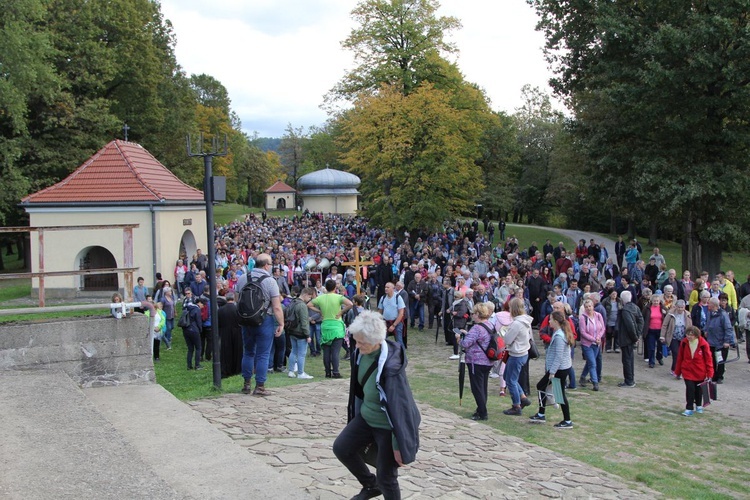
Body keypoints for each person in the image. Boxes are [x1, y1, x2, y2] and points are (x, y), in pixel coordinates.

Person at [333, 310, 421, 500]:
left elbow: (402, 407)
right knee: (342, 448)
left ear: (376, 341)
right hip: (367, 417)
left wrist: (399, 444)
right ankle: (371, 485)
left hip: (387, 427)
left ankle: (380, 485)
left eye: (361, 342)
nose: (357, 345)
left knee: (387, 477)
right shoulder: (361, 353)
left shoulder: (391, 367)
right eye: (356, 340)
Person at [240, 253, 284, 396]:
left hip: (246, 320)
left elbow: (237, 300)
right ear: (266, 265)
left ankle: (246, 384)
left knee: (248, 352)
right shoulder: (270, 281)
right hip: (265, 319)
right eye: (271, 264)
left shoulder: (242, 278)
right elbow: (277, 307)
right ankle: (260, 386)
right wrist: (281, 323)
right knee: (263, 354)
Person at [529, 310, 575, 428]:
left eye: (550, 319)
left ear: (555, 321)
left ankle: (566, 420)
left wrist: (552, 372)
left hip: (559, 369)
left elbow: (559, 356)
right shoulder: (559, 332)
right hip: (561, 367)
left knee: (551, 390)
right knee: (549, 389)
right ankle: (542, 414)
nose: (548, 321)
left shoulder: (560, 336)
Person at [456, 302, 496, 421]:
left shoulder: (477, 328)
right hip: (488, 361)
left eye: (473, 313)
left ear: (478, 314)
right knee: (483, 387)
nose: (472, 315)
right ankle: (480, 409)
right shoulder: (489, 324)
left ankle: (482, 412)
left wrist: (459, 338)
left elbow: (465, 343)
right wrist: (467, 334)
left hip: (476, 361)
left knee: (477, 388)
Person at [309, 280, 353, 379]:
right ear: (335, 288)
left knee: (327, 351)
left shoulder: (320, 298)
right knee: (335, 351)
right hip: (337, 326)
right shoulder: (339, 297)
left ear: (326, 287)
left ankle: (327, 372)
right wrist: (341, 312)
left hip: (325, 325)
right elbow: (350, 304)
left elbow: (309, 305)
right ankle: (336, 371)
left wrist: (320, 311)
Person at [502, 298, 533, 416]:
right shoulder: (525, 321)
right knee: (507, 376)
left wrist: (505, 333)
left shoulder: (517, 323)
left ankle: (516, 405)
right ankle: (522, 397)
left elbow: (507, 339)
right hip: (523, 352)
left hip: (517, 353)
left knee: (511, 380)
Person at [674, 326, 714, 416]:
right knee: (690, 389)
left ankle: (699, 405)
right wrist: (677, 371)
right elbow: (680, 357)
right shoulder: (684, 343)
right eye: (687, 334)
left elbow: (708, 359)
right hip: (687, 370)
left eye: (691, 335)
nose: (688, 336)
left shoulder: (704, 344)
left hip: (700, 371)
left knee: (698, 389)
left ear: (696, 335)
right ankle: (689, 408)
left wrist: (710, 373)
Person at [704, 297, 735, 384]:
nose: (707, 304)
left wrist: (727, 341)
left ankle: (719, 377)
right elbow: (708, 323)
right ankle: (713, 376)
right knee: (712, 360)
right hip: (711, 342)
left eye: (709, 303)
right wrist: (706, 330)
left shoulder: (723, 315)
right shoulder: (710, 313)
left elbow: (728, 328)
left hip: (721, 343)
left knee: (720, 360)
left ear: (714, 305)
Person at [617, 291, 643, 388]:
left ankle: (629, 381)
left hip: (626, 338)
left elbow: (630, 325)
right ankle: (630, 379)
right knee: (629, 359)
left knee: (627, 360)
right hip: (631, 338)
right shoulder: (635, 308)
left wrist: (635, 336)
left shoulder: (625, 310)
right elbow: (641, 321)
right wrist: (637, 334)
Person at [287, 287, 314, 380]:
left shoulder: (293, 302)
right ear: (306, 294)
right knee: (302, 354)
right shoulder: (302, 305)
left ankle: (291, 371)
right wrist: (307, 335)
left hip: (291, 330)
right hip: (300, 332)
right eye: (310, 297)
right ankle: (300, 373)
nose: (310, 299)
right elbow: (304, 322)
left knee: (293, 351)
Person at [660, 299, 692, 377]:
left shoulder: (688, 314)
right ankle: (675, 370)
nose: (680, 309)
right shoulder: (670, 314)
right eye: (679, 307)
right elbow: (664, 325)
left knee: (683, 354)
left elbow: (690, 326)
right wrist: (662, 336)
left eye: (682, 307)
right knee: (676, 354)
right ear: (676, 307)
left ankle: (679, 369)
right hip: (673, 337)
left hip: (683, 337)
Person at [578, 298, 605, 391]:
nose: (589, 308)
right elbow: (583, 332)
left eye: (590, 306)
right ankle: (595, 382)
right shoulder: (583, 318)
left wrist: (598, 337)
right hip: (587, 344)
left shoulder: (598, 315)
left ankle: (582, 377)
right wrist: (593, 339)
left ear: (593, 306)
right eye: (586, 307)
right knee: (593, 363)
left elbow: (602, 328)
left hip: (597, 343)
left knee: (590, 361)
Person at [217, 291, 243, 379]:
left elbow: (218, 323)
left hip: (225, 332)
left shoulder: (220, 310)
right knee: (237, 352)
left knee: (225, 352)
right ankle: (237, 369)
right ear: (234, 298)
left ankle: (226, 370)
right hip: (237, 332)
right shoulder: (237, 309)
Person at [642, 294, 668, 368]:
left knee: (660, 346)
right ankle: (651, 362)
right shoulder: (647, 308)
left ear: (659, 301)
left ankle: (659, 358)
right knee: (651, 347)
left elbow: (668, 316)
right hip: (650, 330)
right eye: (654, 301)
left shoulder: (662, 308)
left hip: (660, 330)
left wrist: (665, 313)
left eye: (657, 301)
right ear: (651, 301)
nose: (656, 302)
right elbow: (642, 317)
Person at [378, 282, 407, 349]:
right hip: (386, 323)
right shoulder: (383, 298)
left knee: (399, 342)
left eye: (388, 287)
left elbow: (401, 313)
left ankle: (402, 357)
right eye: (385, 287)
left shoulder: (398, 298)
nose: (386, 289)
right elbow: (380, 311)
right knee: (381, 341)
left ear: (393, 289)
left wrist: (394, 325)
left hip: (397, 323)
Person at [448, 290, 471, 360]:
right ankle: (459, 352)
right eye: (454, 297)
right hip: (457, 322)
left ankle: (456, 353)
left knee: (456, 337)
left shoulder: (462, 303)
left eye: (456, 297)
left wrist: (455, 313)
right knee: (458, 337)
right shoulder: (457, 303)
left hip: (460, 323)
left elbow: (462, 313)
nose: (455, 298)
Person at [182, 298, 204, 370]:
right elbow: (198, 321)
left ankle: (189, 365)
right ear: (199, 303)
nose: (203, 307)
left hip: (186, 329)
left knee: (190, 348)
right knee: (198, 348)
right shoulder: (196, 309)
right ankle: (197, 365)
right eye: (203, 305)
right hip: (194, 330)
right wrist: (200, 329)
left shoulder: (186, 307)